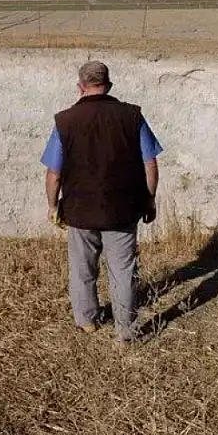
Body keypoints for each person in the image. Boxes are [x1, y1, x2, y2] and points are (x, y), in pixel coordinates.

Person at [40, 61, 163, 343]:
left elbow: (54, 173)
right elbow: (150, 164)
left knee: (82, 268)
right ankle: (126, 331)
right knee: (123, 271)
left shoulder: (65, 121)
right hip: (123, 210)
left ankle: (86, 322)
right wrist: (150, 200)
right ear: (108, 85)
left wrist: (52, 206)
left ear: (80, 87)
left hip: (79, 211)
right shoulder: (132, 116)